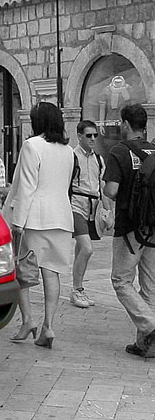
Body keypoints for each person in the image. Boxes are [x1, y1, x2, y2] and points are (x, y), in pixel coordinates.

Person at [2, 102, 74, 350]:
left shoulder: (32, 145)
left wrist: (17, 221)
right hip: (62, 216)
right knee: (51, 271)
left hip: (35, 218)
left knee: (23, 271)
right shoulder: (69, 151)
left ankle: (28, 320)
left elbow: (27, 186)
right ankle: (48, 325)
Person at [102, 104, 155, 358]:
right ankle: (146, 344)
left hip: (130, 227)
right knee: (150, 287)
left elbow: (111, 191)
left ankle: (151, 327)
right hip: (153, 227)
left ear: (125, 124)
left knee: (121, 281)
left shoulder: (119, 152)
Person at [69, 120, 107, 309]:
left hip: (93, 206)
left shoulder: (98, 159)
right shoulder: (72, 157)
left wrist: (107, 210)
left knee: (80, 248)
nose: (92, 139)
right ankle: (77, 289)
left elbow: (102, 186)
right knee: (87, 249)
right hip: (76, 205)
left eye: (95, 135)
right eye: (88, 135)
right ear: (80, 136)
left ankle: (76, 288)